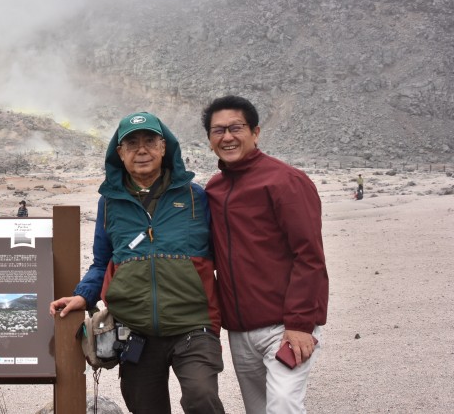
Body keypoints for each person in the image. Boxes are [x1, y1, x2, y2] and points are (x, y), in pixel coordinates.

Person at [49, 112, 225, 414]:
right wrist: (83, 295)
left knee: (202, 396)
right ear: (120, 152)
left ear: (164, 147)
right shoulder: (110, 203)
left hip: (193, 324)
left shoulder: (196, 197)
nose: (141, 150)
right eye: (132, 144)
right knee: (144, 407)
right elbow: (103, 261)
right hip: (134, 330)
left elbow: (225, 255)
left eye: (149, 142)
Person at [200, 95, 329, 414]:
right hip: (240, 330)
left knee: (284, 404)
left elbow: (309, 255)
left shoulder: (286, 181)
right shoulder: (214, 189)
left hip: (285, 325)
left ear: (255, 132)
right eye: (218, 130)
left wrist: (300, 323)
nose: (227, 137)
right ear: (210, 139)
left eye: (236, 128)